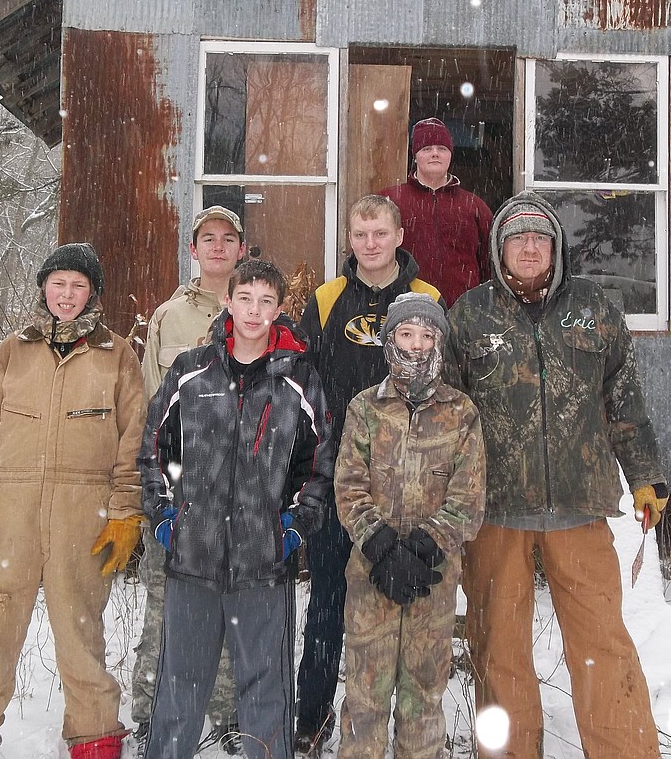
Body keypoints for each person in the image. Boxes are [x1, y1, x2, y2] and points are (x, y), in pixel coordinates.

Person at [443, 192, 669, 759]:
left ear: (556, 247)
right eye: (516, 238)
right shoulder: (469, 315)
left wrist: (645, 475)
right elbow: (447, 415)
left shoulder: (594, 308)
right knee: (499, 653)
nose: (528, 247)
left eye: (539, 238)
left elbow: (626, 402)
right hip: (495, 510)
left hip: (580, 504)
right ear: (498, 249)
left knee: (601, 644)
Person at [0, 243, 146, 759]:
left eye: (79, 286)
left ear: (93, 292)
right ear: (44, 288)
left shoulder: (117, 355)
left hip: (85, 514)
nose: (68, 295)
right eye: (59, 284)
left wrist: (124, 512)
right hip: (10, 513)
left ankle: (95, 732)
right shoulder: (11, 352)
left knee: (81, 629)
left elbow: (134, 445)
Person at [139, 259, 334, 759]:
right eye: (245, 299)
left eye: (266, 301)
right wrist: (167, 518)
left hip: (263, 567)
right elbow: (155, 448)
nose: (254, 310)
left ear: (279, 308)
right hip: (192, 559)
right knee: (179, 690)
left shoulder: (298, 379)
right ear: (228, 302)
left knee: (266, 693)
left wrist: (291, 528)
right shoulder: (191, 370)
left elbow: (318, 465)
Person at [295, 194, 445, 756]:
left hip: (411, 484)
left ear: (399, 234)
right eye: (360, 234)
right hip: (342, 478)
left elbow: (446, 382)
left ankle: (411, 725)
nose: (371, 244)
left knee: (408, 604)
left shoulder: (427, 300)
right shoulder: (329, 298)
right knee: (330, 603)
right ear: (349, 239)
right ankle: (311, 715)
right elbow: (305, 382)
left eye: (380, 233)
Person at [334, 292, 485, 759]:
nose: (416, 345)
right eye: (406, 333)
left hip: (433, 579)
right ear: (390, 340)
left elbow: (469, 497)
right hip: (371, 577)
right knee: (365, 694)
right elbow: (349, 485)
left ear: (439, 343)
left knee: (424, 694)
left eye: (426, 335)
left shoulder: (461, 413)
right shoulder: (365, 407)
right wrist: (382, 548)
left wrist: (422, 549)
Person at [132, 205, 246, 755]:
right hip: (181, 482)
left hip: (239, 488)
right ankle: (151, 711)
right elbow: (152, 406)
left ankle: (228, 713)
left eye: (229, 239)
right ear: (194, 250)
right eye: (208, 239)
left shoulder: (257, 309)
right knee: (166, 602)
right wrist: (160, 486)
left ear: (241, 250)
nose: (219, 247)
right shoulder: (167, 317)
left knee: (233, 600)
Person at [380, 117, 492, 308]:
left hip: (463, 312)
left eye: (442, 148)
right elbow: (371, 253)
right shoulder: (390, 201)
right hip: (405, 310)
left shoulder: (474, 206)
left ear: (450, 155)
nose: (435, 154)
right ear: (415, 156)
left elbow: (489, 263)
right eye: (426, 149)